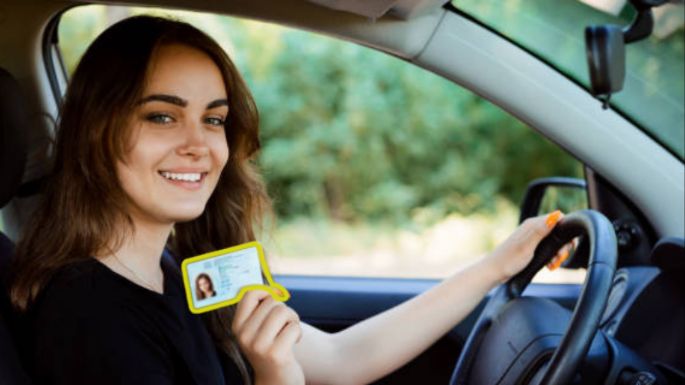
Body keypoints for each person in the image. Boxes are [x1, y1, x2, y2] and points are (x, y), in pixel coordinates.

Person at [8, 15, 569, 385]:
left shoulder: (176, 273)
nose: (199, 145)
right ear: (96, 131)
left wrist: (496, 266)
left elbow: (347, 359)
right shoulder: (90, 317)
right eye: (161, 116)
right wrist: (275, 377)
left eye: (214, 120)